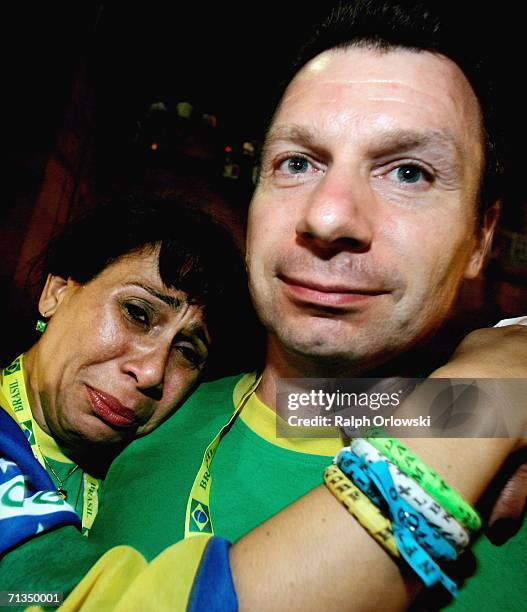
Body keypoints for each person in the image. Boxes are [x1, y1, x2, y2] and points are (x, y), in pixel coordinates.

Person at [3, 2, 527, 610]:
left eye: (408, 172)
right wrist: (480, 405)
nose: (329, 216)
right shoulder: (136, 434)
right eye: (297, 163)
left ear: (482, 237)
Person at [0, 195, 258, 550]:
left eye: (186, 352)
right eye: (137, 313)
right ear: (57, 293)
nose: (152, 372)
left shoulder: (156, 473)